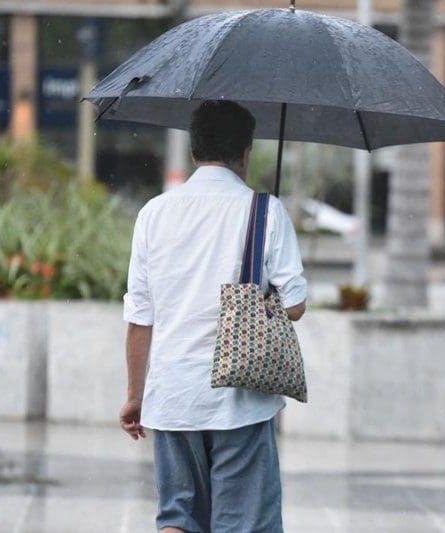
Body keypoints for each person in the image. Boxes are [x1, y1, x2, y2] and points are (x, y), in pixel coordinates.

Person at [119, 99, 307, 533]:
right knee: (242, 523)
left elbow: (140, 315)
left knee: (176, 519)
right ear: (246, 153)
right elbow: (294, 306)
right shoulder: (265, 211)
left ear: (193, 150)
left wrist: (135, 395)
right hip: (237, 400)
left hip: (171, 396)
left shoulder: (153, 213)